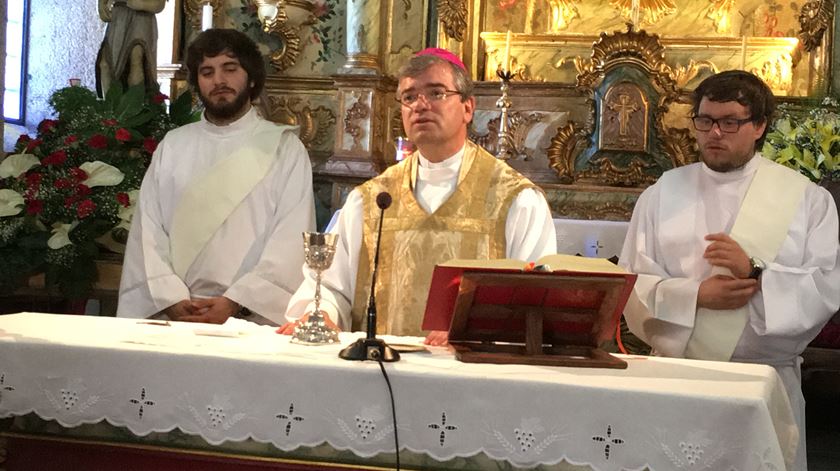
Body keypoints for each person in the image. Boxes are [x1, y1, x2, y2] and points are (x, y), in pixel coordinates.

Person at [620, 70, 840, 471]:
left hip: (762, 384)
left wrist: (757, 274)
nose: (714, 133)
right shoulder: (661, 194)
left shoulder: (808, 201)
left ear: (759, 126)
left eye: (729, 122)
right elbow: (632, 282)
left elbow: (825, 288)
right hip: (675, 381)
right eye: (704, 121)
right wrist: (695, 297)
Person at [280, 48, 557, 344]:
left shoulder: (515, 200)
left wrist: (471, 329)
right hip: (379, 375)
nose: (420, 105)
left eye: (436, 93)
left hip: (473, 377)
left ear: (468, 107)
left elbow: (536, 300)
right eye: (409, 97)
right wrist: (322, 313)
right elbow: (331, 287)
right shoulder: (371, 200)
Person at [117, 29, 316, 325]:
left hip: (249, 321)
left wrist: (237, 300)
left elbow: (290, 236)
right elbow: (148, 229)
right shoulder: (174, 145)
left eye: (230, 69)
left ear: (251, 77)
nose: (219, 81)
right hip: (174, 315)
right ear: (197, 82)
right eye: (207, 72)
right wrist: (171, 297)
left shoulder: (284, 149)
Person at [96, 0, 166, 96]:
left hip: (141, 18)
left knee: (136, 59)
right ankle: (109, 106)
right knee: (105, 64)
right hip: (119, 18)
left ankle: (135, 105)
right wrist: (101, 4)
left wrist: (141, 4)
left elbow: (159, 5)